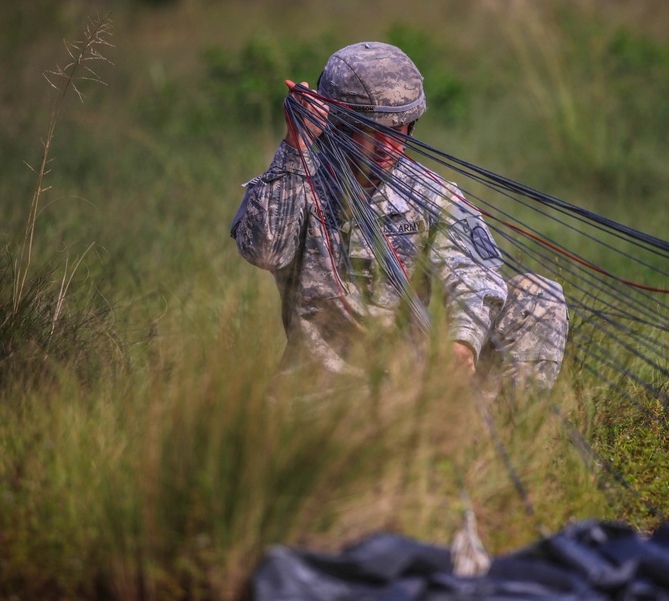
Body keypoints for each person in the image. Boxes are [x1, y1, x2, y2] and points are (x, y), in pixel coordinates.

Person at [231, 41, 568, 389]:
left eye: (399, 128)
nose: (386, 145)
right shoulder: (294, 181)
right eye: (370, 131)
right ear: (336, 124)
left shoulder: (432, 194)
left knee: (541, 295)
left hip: (409, 391)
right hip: (319, 396)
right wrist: (295, 145)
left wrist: (463, 341)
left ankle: (499, 437)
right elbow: (264, 251)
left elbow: (473, 274)